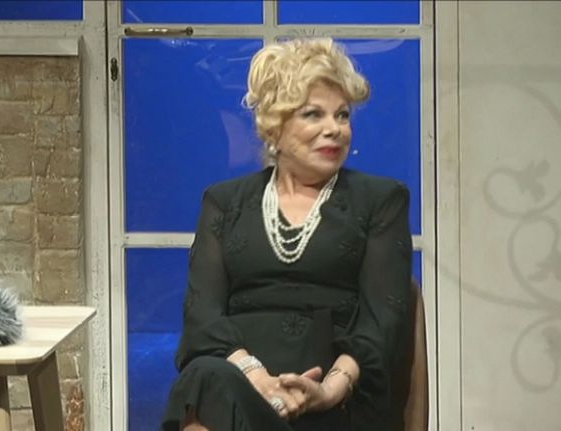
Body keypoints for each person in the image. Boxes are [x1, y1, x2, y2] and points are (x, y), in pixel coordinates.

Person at [160, 38, 413, 431]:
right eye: (314, 114)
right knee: (205, 379)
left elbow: (384, 321)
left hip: (337, 398)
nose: (334, 129)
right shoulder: (225, 202)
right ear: (274, 128)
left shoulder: (380, 200)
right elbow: (202, 316)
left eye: (342, 116)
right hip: (240, 383)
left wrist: (329, 390)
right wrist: (257, 378)